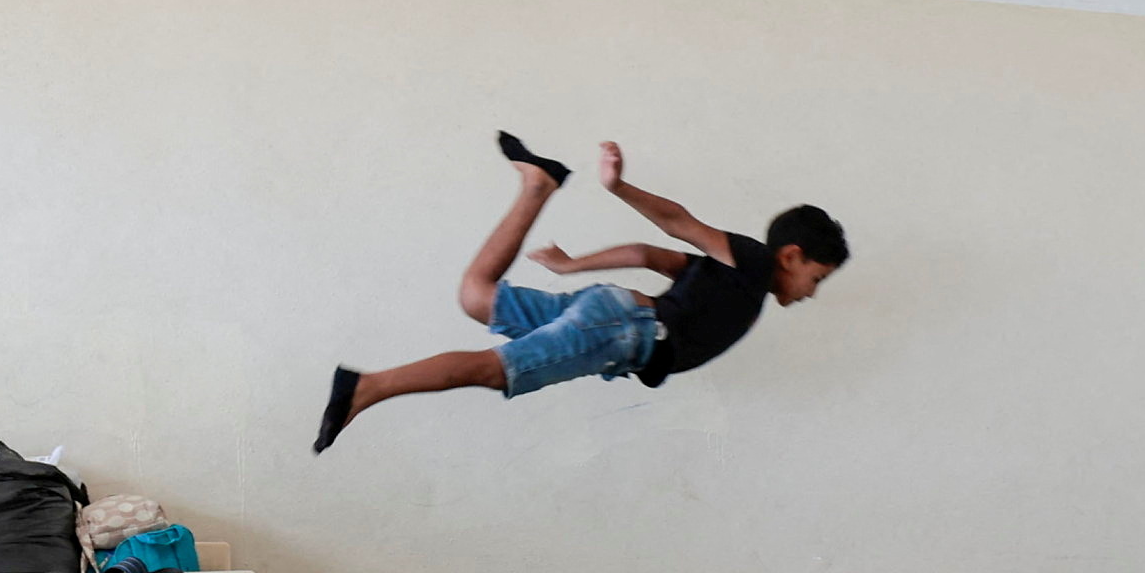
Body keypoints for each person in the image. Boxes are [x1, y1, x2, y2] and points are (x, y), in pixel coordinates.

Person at [314, 134, 848, 451]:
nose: (811, 293)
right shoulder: (753, 263)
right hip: (620, 332)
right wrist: (617, 187)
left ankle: (537, 184)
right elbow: (678, 224)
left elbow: (647, 256)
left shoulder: (735, 281)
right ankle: (366, 387)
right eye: (816, 279)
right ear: (792, 256)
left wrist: (573, 266)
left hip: (605, 312)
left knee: (478, 297)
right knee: (488, 368)